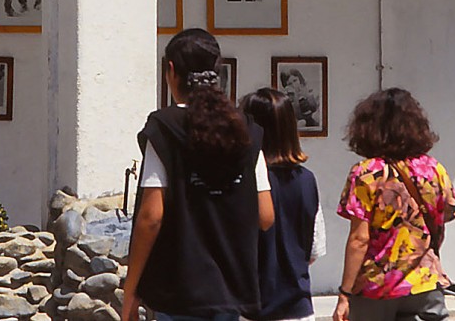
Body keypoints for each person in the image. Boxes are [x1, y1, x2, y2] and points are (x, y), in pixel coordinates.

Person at [121, 28, 275, 321]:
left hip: (179, 291)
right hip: (232, 292)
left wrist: (132, 290)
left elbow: (151, 217)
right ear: (217, 72)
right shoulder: (247, 129)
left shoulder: (163, 128)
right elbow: (265, 215)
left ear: (170, 70)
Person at [333, 88, 455, 321]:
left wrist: (344, 293)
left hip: (376, 286)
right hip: (425, 282)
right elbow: (445, 218)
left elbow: (359, 239)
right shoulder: (434, 169)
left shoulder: (367, 173)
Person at [240, 88, 325, 321]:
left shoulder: (243, 180)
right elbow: (315, 248)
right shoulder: (306, 180)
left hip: (251, 307)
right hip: (297, 306)